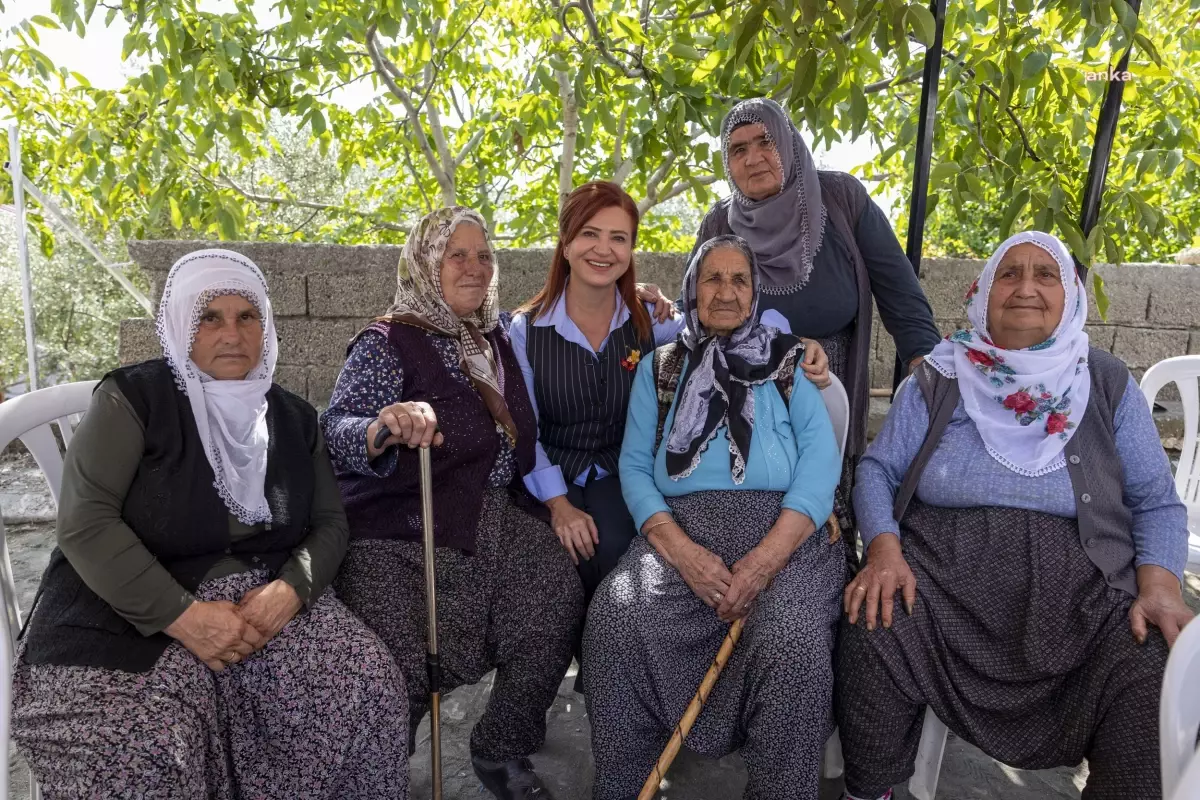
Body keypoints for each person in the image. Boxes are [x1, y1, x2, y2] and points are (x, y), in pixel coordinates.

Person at [12, 249, 409, 799]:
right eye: (209, 317)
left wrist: (290, 593)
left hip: (258, 601)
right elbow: (85, 523)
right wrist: (182, 616)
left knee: (368, 685)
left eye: (248, 316)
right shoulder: (133, 399)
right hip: (125, 601)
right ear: (179, 324)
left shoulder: (293, 418)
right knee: (146, 747)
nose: (232, 333)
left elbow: (329, 525)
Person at [835, 231, 1194, 800]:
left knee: (1152, 667)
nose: (1026, 287)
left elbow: (1155, 499)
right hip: (939, 591)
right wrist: (883, 549)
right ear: (983, 292)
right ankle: (871, 790)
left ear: (1069, 296)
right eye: (1010, 274)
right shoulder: (937, 375)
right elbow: (877, 470)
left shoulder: (1106, 382)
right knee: (872, 625)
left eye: (1045, 275)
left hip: (1083, 602)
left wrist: (1161, 586)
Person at [321, 206, 583, 800]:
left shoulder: (491, 338)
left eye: (484, 256)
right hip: (401, 526)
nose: (474, 267)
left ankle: (500, 747)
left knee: (555, 597)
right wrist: (383, 425)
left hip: (487, 513)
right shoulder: (387, 342)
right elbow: (333, 427)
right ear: (424, 262)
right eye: (456, 255)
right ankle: (375, 771)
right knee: (402, 662)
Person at [584, 235, 843, 800]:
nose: (725, 292)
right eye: (712, 279)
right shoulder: (662, 368)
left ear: (755, 293)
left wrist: (766, 560)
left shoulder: (789, 361)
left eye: (739, 280)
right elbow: (634, 467)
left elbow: (822, 463)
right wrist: (682, 552)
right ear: (692, 289)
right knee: (614, 617)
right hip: (681, 536)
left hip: (786, 536)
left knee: (791, 636)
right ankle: (624, 783)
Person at [512, 183, 833, 636]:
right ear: (565, 243)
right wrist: (558, 504)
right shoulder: (526, 330)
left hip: (617, 475)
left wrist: (797, 343)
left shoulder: (652, 324)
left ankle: (602, 672)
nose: (604, 249)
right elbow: (522, 427)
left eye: (618, 238)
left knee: (618, 558)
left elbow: (728, 323)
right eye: (589, 234)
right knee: (548, 573)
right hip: (549, 475)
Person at [693, 97, 942, 549]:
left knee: (822, 528)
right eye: (737, 149)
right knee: (748, 517)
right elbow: (695, 315)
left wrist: (928, 368)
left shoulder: (841, 199)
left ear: (786, 141)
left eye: (764, 141)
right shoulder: (718, 224)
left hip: (830, 387)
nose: (753, 158)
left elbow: (899, 290)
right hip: (744, 395)